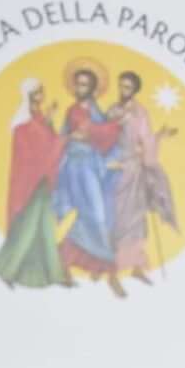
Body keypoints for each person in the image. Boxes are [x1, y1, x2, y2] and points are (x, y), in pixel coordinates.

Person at [0, 78, 71, 288]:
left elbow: (46, 139)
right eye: (38, 92)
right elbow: (40, 150)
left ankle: (53, 273)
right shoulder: (23, 123)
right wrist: (66, 139)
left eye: (42, 91)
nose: (42, 95)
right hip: (30, 185)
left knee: (45, 228)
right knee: (27, 229)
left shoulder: (37, 117)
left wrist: (49, 120)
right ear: (30, 96)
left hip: (41, 182)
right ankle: (6, 270)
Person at [53, 63, 125, 297]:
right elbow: (62, 138)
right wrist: (71, 137)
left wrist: (115, 156)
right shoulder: (71, 110)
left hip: (92, 167)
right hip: (75, 168)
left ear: (93, 88)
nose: (79, 88)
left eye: (84, 85)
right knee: (92, 217)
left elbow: (107, 138)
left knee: (97, 218)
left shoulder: (96, 112)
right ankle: (107, 273)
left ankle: (67, 263)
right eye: (77, 84)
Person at [105, 70, 178, 292]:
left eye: (127, 87)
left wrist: (159, 137)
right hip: (116, 169)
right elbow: (102, 137)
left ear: (135, 90)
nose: (123, 90)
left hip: (135, 171)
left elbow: (146, 142)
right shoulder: (113, 110)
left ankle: (136, 267)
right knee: (118, 222)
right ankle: (112, 274)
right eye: (121, 86)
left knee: (136, 222)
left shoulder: (140, 113)